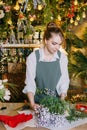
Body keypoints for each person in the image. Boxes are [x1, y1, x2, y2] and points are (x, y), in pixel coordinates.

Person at [22, 21, 70, 110]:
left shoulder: (62, 58)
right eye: (54, 43)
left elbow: (64, 81)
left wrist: (61, 102)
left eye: (59, 44)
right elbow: (30, 83)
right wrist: (32, 105)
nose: (57, 48)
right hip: (37, 103)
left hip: (55, 103)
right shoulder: (33, 58)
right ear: (46, 40)